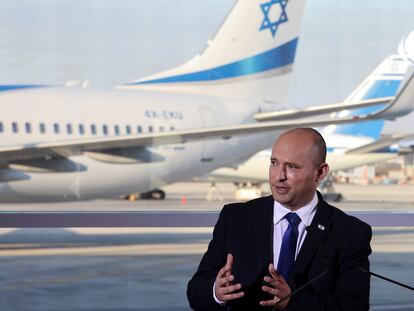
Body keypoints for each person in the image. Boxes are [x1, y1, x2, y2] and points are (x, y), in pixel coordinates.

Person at [187, 128, 372, 311]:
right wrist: (216, 293)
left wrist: (293, 302)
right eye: (274, 163)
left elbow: (355, 305)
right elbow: (195, 291)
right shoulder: (236, 219)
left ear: (321, 173)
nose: (279, 176)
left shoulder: (350, 233)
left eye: (292, 167)